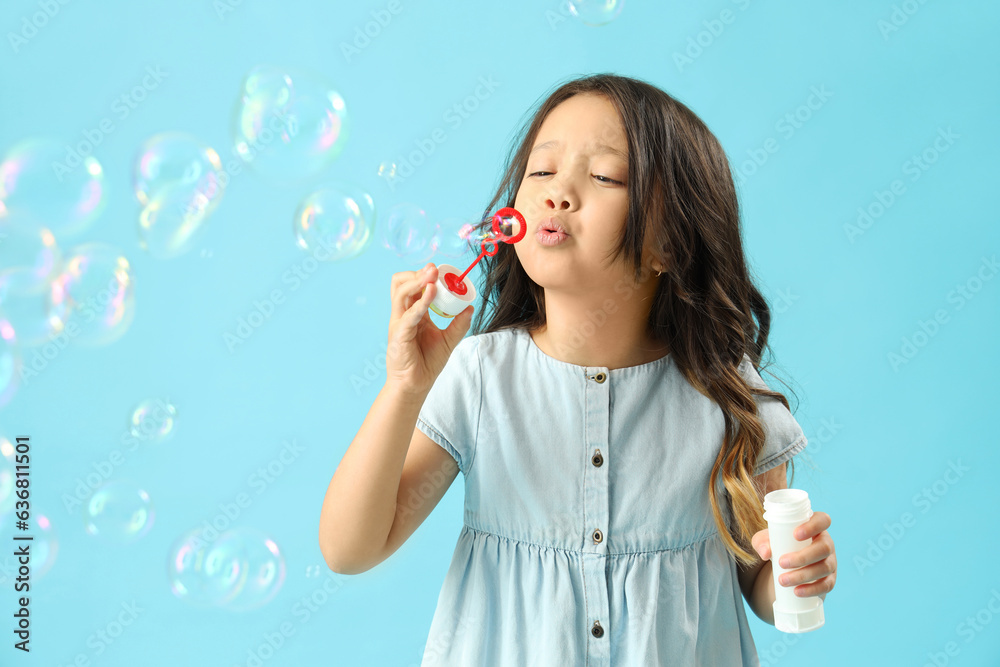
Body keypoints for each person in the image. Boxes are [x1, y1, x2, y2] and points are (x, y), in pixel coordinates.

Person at [319, 73, 837, 666]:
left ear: (669, 242)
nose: (557, 193)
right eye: (541, 172)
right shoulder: (483, 376)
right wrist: (405, 388)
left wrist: (796, 573)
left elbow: (761, 586)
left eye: (605, 177)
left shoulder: (725, 392)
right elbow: (350, 549)